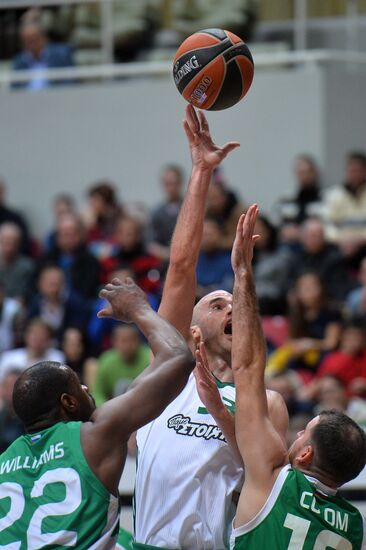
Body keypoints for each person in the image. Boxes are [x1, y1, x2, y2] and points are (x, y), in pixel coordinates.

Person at [133, 106, 288, 549]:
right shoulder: (166, 377)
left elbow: (266, 480)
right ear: (192, 331)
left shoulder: (266, 403)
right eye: (215, 304)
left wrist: (223, 416)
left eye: (233, 305)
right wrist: (201, 171)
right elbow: (181, 267)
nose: (229, 310)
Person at [209, 205, 366, 550]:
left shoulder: (273, 479)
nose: (295, 433)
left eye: (303, 431)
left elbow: (248, 369)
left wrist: (242, 275)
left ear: (306, 454)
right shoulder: (355, 526)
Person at [0, 278, 195, 548]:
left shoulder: (4, 462)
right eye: (78, 384)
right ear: (68, 402)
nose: (86, 387)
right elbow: (179, 358)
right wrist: (140, 309)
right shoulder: (94, 436)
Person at [93, 324, 150, 405]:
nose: (127, 346)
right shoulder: (106, 360)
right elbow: (98, 393)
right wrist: (106, 407)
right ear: (114, 341)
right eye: (123, 341)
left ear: (138, 340)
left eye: (131, 340)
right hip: (115, 410)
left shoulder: (149, 357)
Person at [13, 19, 74, 90]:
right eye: (27, 41)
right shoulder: (19, 61)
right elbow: (15, 87)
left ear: (44, 38)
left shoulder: (61, 55)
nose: (31, 45)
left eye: (34, 40)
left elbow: (71, 82)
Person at [0, 318, 64, 381]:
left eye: (42, 335)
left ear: (49, 340)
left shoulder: (56, 359)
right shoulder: (8, 358)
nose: (37, 338)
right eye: (34, 333)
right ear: (27, 335)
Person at [148, 164, 184, 263]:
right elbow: (151, 243)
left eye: (174, 183)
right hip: (165, 259)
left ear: (180, 183)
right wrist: (167, 254)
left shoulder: (191, 209)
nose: (171, 187)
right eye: (168, 184)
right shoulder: (156, 212)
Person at [0, 222, 34, 302]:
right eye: (6, 242)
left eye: (13, 243)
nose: (9, 248)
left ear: (19, 244)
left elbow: (24, 296)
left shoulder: (27, 267)